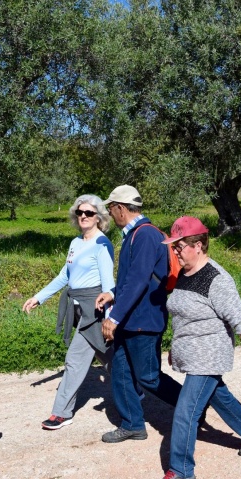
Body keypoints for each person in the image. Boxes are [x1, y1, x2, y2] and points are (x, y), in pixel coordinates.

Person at [153, 216, 241, 479]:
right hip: (191, 354)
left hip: (209, 356)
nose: (175, 252)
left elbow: (240, 321)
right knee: (219, 396)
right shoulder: (184, 274)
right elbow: (184, 315)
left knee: (186, 412)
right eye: (173, 246)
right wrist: (176, 347)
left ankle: (181, 470)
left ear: (198, 245)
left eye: (179, 246)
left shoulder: (217, 279)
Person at [95, 185, 183, 443]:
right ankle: (133, 424)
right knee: (121, 371)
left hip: (144, 319)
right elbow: (131, 280)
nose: (110, 214)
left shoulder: (144, 235)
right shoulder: (134, 234)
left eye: (111, 208)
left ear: (121, 208)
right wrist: (113, 295)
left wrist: (114, 317)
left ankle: (192, 405)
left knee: (148, 376)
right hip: (132, 319)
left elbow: (138, 280)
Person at [22, 195, 115, 430]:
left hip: (93, 309)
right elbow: (65, 276)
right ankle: (134, 387)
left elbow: (108, 286)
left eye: (89, 213)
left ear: (99, 217)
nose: (83, 216)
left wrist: (109, 319)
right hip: (77, 306)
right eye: (79, 212)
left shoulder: (102, 244)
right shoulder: (76, 242)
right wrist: (39, 297)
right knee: (108, 355)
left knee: (75, 359)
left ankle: (61, 412)